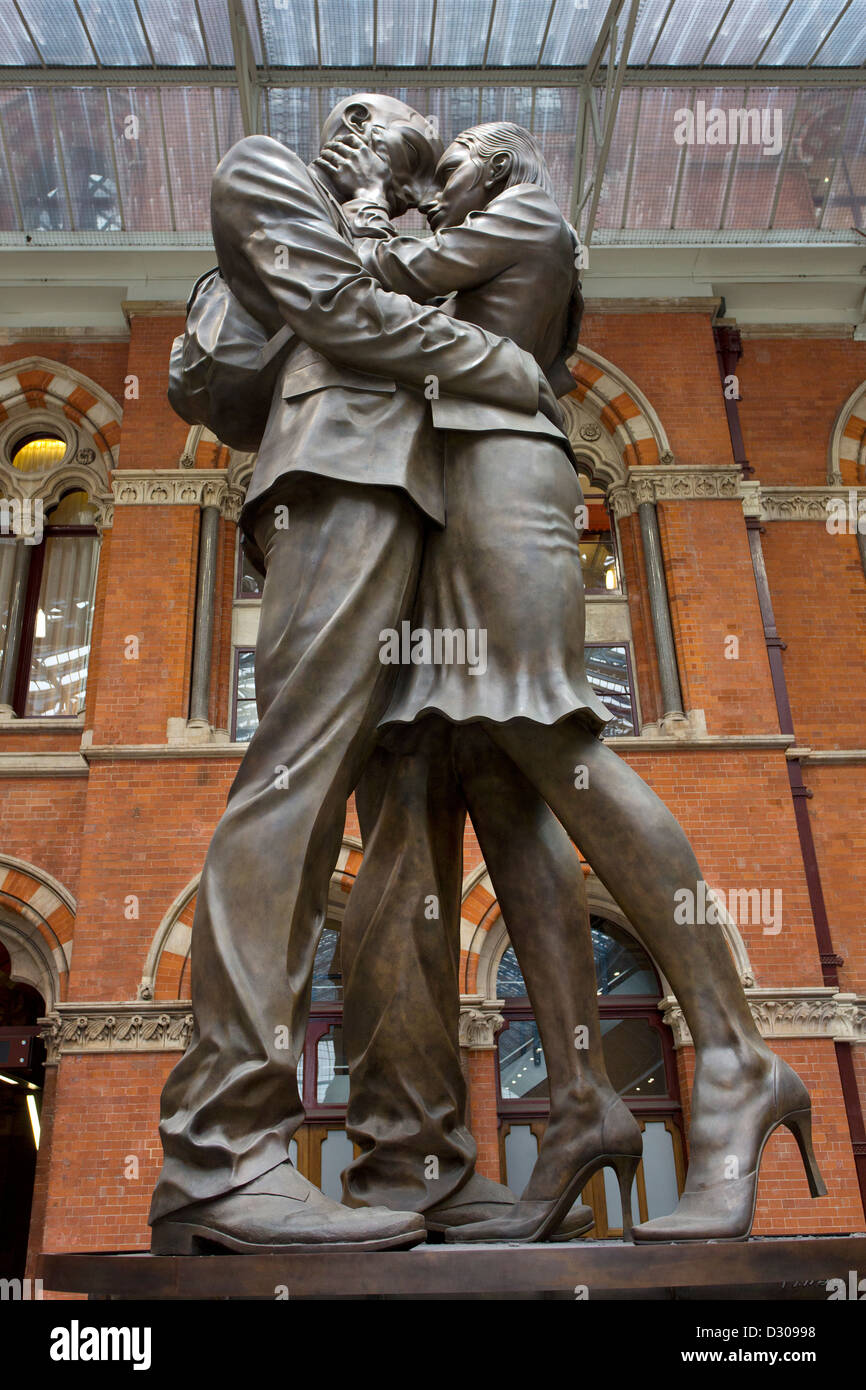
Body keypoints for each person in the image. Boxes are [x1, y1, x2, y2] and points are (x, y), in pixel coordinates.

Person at [323, 122, 826, 1243]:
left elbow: (375, 289)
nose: (433, 182)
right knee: (499, 782)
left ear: (497, 166)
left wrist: (369, 201)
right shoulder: (485, 231)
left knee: (553, 737)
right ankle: (585, 1098)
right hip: (454, 499)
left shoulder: (525, 212)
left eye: (449, 168)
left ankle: (738, 1058)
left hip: (505, 484)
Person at [149, 96, 564, 1256]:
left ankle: (414, 1158)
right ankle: (220, 1151)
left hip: (441, 520)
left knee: (414, 844)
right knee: (293, 783)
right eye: (377, 129)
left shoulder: (425, 240)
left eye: (408, 149)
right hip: (335, 486)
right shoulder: (268, 177)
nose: (372, 141)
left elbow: (428, 304)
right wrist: (479, 354)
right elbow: (215, 378)